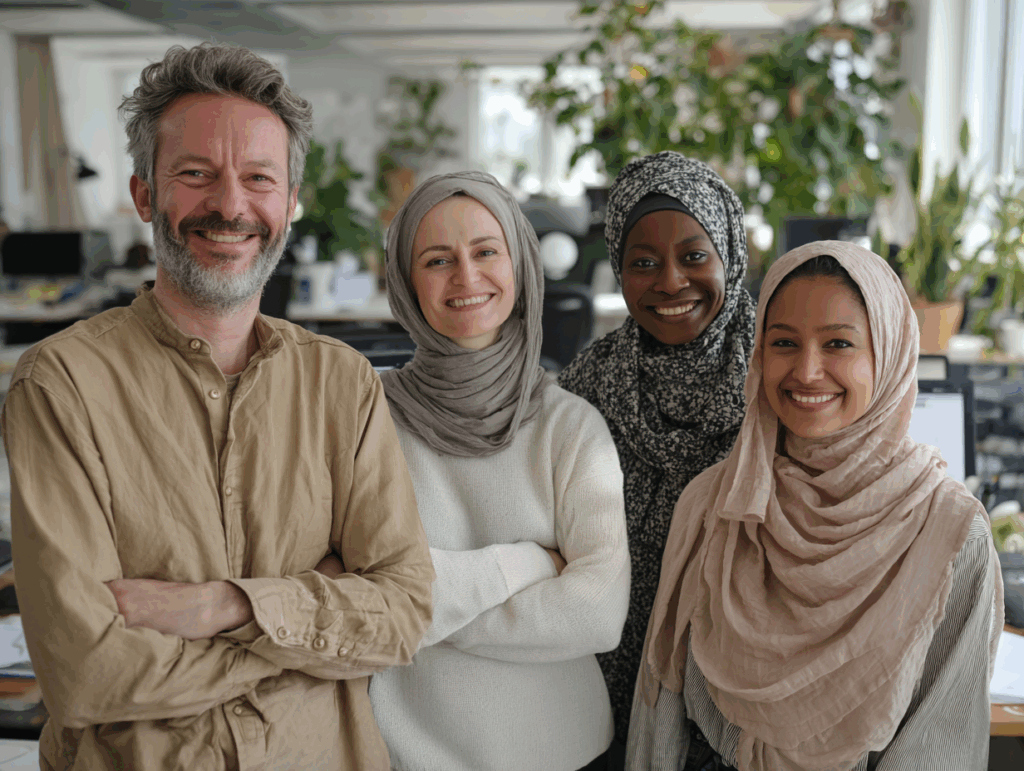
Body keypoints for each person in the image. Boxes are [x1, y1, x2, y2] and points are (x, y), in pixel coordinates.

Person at [1, 43, 433, 771]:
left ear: (289, 202)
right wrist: (304, 624)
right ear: (145, 195)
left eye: (258, 178)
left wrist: (225, 606)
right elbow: (87, 674)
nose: (231, 206)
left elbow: (403, 617)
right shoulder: (61, 384)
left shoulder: (342, 382)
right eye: (196, 174)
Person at [630, 242, 1004, 771]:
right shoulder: (714, 505)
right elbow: (661, 715)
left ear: (889, 354)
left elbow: (942, 745)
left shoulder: (950, 532)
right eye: (784, 342)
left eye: (838, 344)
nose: (806, 371)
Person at [349, 171, 630, 771]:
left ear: (520, 263)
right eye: (437, 260)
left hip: (567, 752)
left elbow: (598, 615)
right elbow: (354, 594)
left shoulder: (572, 426)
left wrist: (413, 614)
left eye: (485, 252)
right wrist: (525, 565)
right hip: (406, 758)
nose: (466, 277)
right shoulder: (363, 417)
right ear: (405, 280)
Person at [559, 151, 756, 747]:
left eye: (694, 256)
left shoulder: (779, 379)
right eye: (643, 263)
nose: (670, 282)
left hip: (739, 697)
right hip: (606, 695)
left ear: (730, 255)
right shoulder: (585, 389)